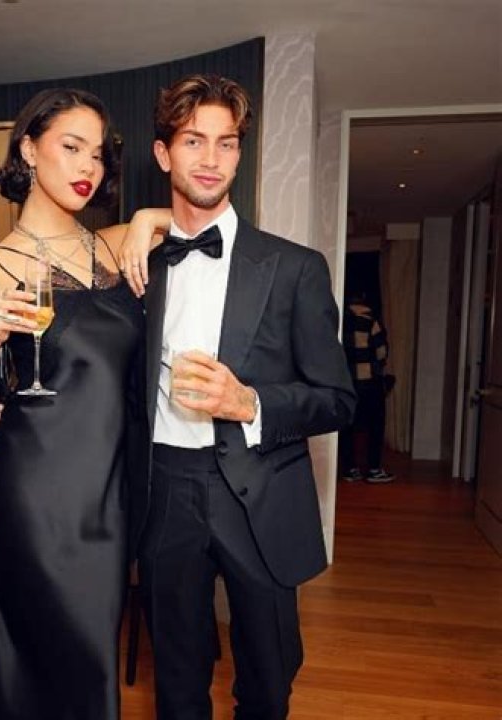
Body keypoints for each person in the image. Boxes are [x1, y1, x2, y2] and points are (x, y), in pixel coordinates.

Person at [120, 74, 356, 719]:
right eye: (193, 141)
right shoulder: (137, 264)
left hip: (260, 489)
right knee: (176, 678)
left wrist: (250, 403)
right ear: (163, 153)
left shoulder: (295, 267)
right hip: (164, 490)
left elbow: (339, 399)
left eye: (226, 143)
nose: (211, 159)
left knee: (268, 677)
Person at [0, 87, 167, 720]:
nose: (87, 166)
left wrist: (148, 217)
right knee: (47, 661)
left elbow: (199, 219)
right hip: (31, 497)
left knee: (90, 656)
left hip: (110, 496)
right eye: (71, 147)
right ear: (29, 150)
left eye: (97, 153)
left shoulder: (116, 248)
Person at [339, 290, 395, 483]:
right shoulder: (371, 321)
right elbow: (381, 352)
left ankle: (350, 468)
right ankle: (373, 469)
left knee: (348, 426)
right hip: (370, 382)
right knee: (376, 425)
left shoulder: (341, 322)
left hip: (347, 382)